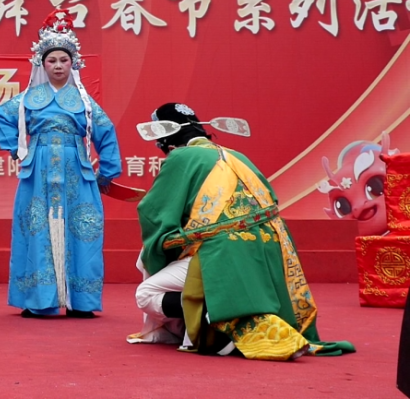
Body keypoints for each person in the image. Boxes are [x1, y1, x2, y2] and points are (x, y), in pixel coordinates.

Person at [130, 102, 355, 360]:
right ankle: (191, 325)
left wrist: (164, 239)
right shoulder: (237, 156)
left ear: (167, 141)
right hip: (267, 253)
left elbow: (154, 212)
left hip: (221, 252)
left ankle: (213, 319)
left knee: (146, 292)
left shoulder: (180, 158)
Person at [0, 9, 121, 318]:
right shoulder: (28, 98)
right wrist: (18, 150)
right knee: (35, 228)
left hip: (76, 168)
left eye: (64, 60)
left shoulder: (85, 102)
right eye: (52, 60)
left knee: (83, 229)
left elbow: (106, 132)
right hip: (37, 170)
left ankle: (81, 301)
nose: (58, 66)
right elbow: (0, 114)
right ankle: (40, 299)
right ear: (42, 63)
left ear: (73, 63)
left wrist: (107, 172)